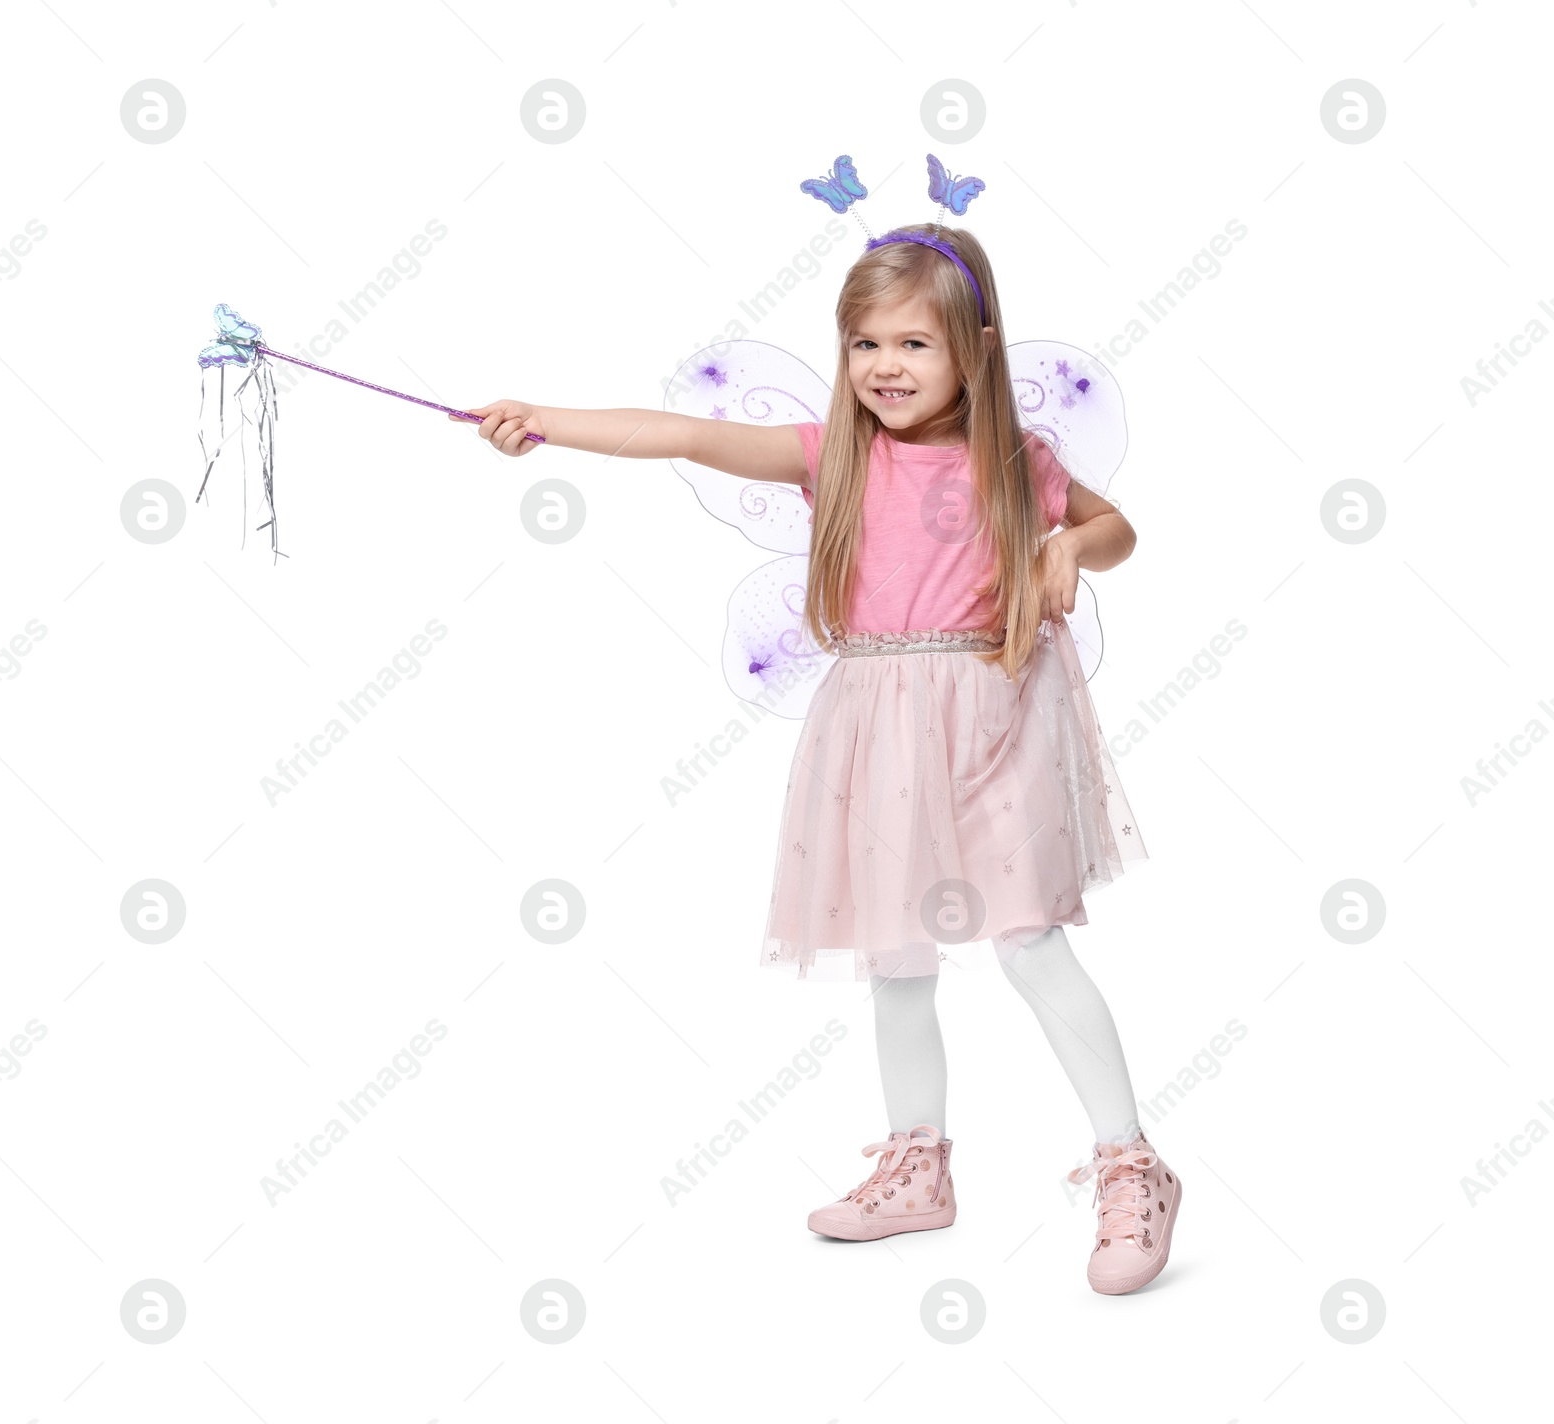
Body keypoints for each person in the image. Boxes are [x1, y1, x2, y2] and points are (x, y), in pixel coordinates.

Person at [449, 220, 1179, 1296]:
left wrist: (1066, 543)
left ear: (975, 347)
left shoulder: (1018, 461)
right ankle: (916, 1161)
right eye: (865, 343)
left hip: (997, 711)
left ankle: (1130, 1164)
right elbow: (682, 435)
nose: (886, 366)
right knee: (896, 950)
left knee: (1027, 940)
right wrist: (544, 422)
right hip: (878, 719)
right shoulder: (833, 454)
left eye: (915, 345)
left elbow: (1118, 530)